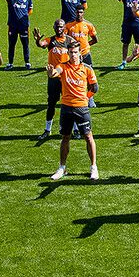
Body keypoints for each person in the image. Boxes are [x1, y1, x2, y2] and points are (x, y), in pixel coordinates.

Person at [48, 41, 99, 180]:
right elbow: (55, 73)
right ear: (68, 53)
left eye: (75, 52)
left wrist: (85, 98)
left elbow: (94, 88)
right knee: (65, 137)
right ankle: (62, 168)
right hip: (66, 107)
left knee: (88, 136)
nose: (73, 55)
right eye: (71, 52)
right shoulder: (63, 67)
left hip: (82, 108)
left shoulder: (87, 69)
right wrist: (51, 73)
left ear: (80, 53)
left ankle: (93, 167)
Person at [33, 20, 76, 140]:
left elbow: (77, 54)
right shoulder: (50, 40)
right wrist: (37, 40)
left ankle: (76, 130)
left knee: (71, 104)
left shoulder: (70, 41)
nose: (59, 29)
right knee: (51, 104)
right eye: (57, 27)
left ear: (64, 28)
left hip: (66, 78)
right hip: (53, 78)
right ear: (54, 27)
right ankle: (47, 130)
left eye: (61, 27)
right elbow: (41, 44)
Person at [112, 0, 139, 70]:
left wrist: (138, 13)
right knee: (125, 43)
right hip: (127, 24)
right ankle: (123, 62)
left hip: (138, 23)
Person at [3, 0, 33, 70]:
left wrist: (24, 16)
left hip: (23, 26)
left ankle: (27, 62)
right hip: (12, 26)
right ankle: (10, 63)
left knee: (25, 44)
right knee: (11, 45)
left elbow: (30, 9)